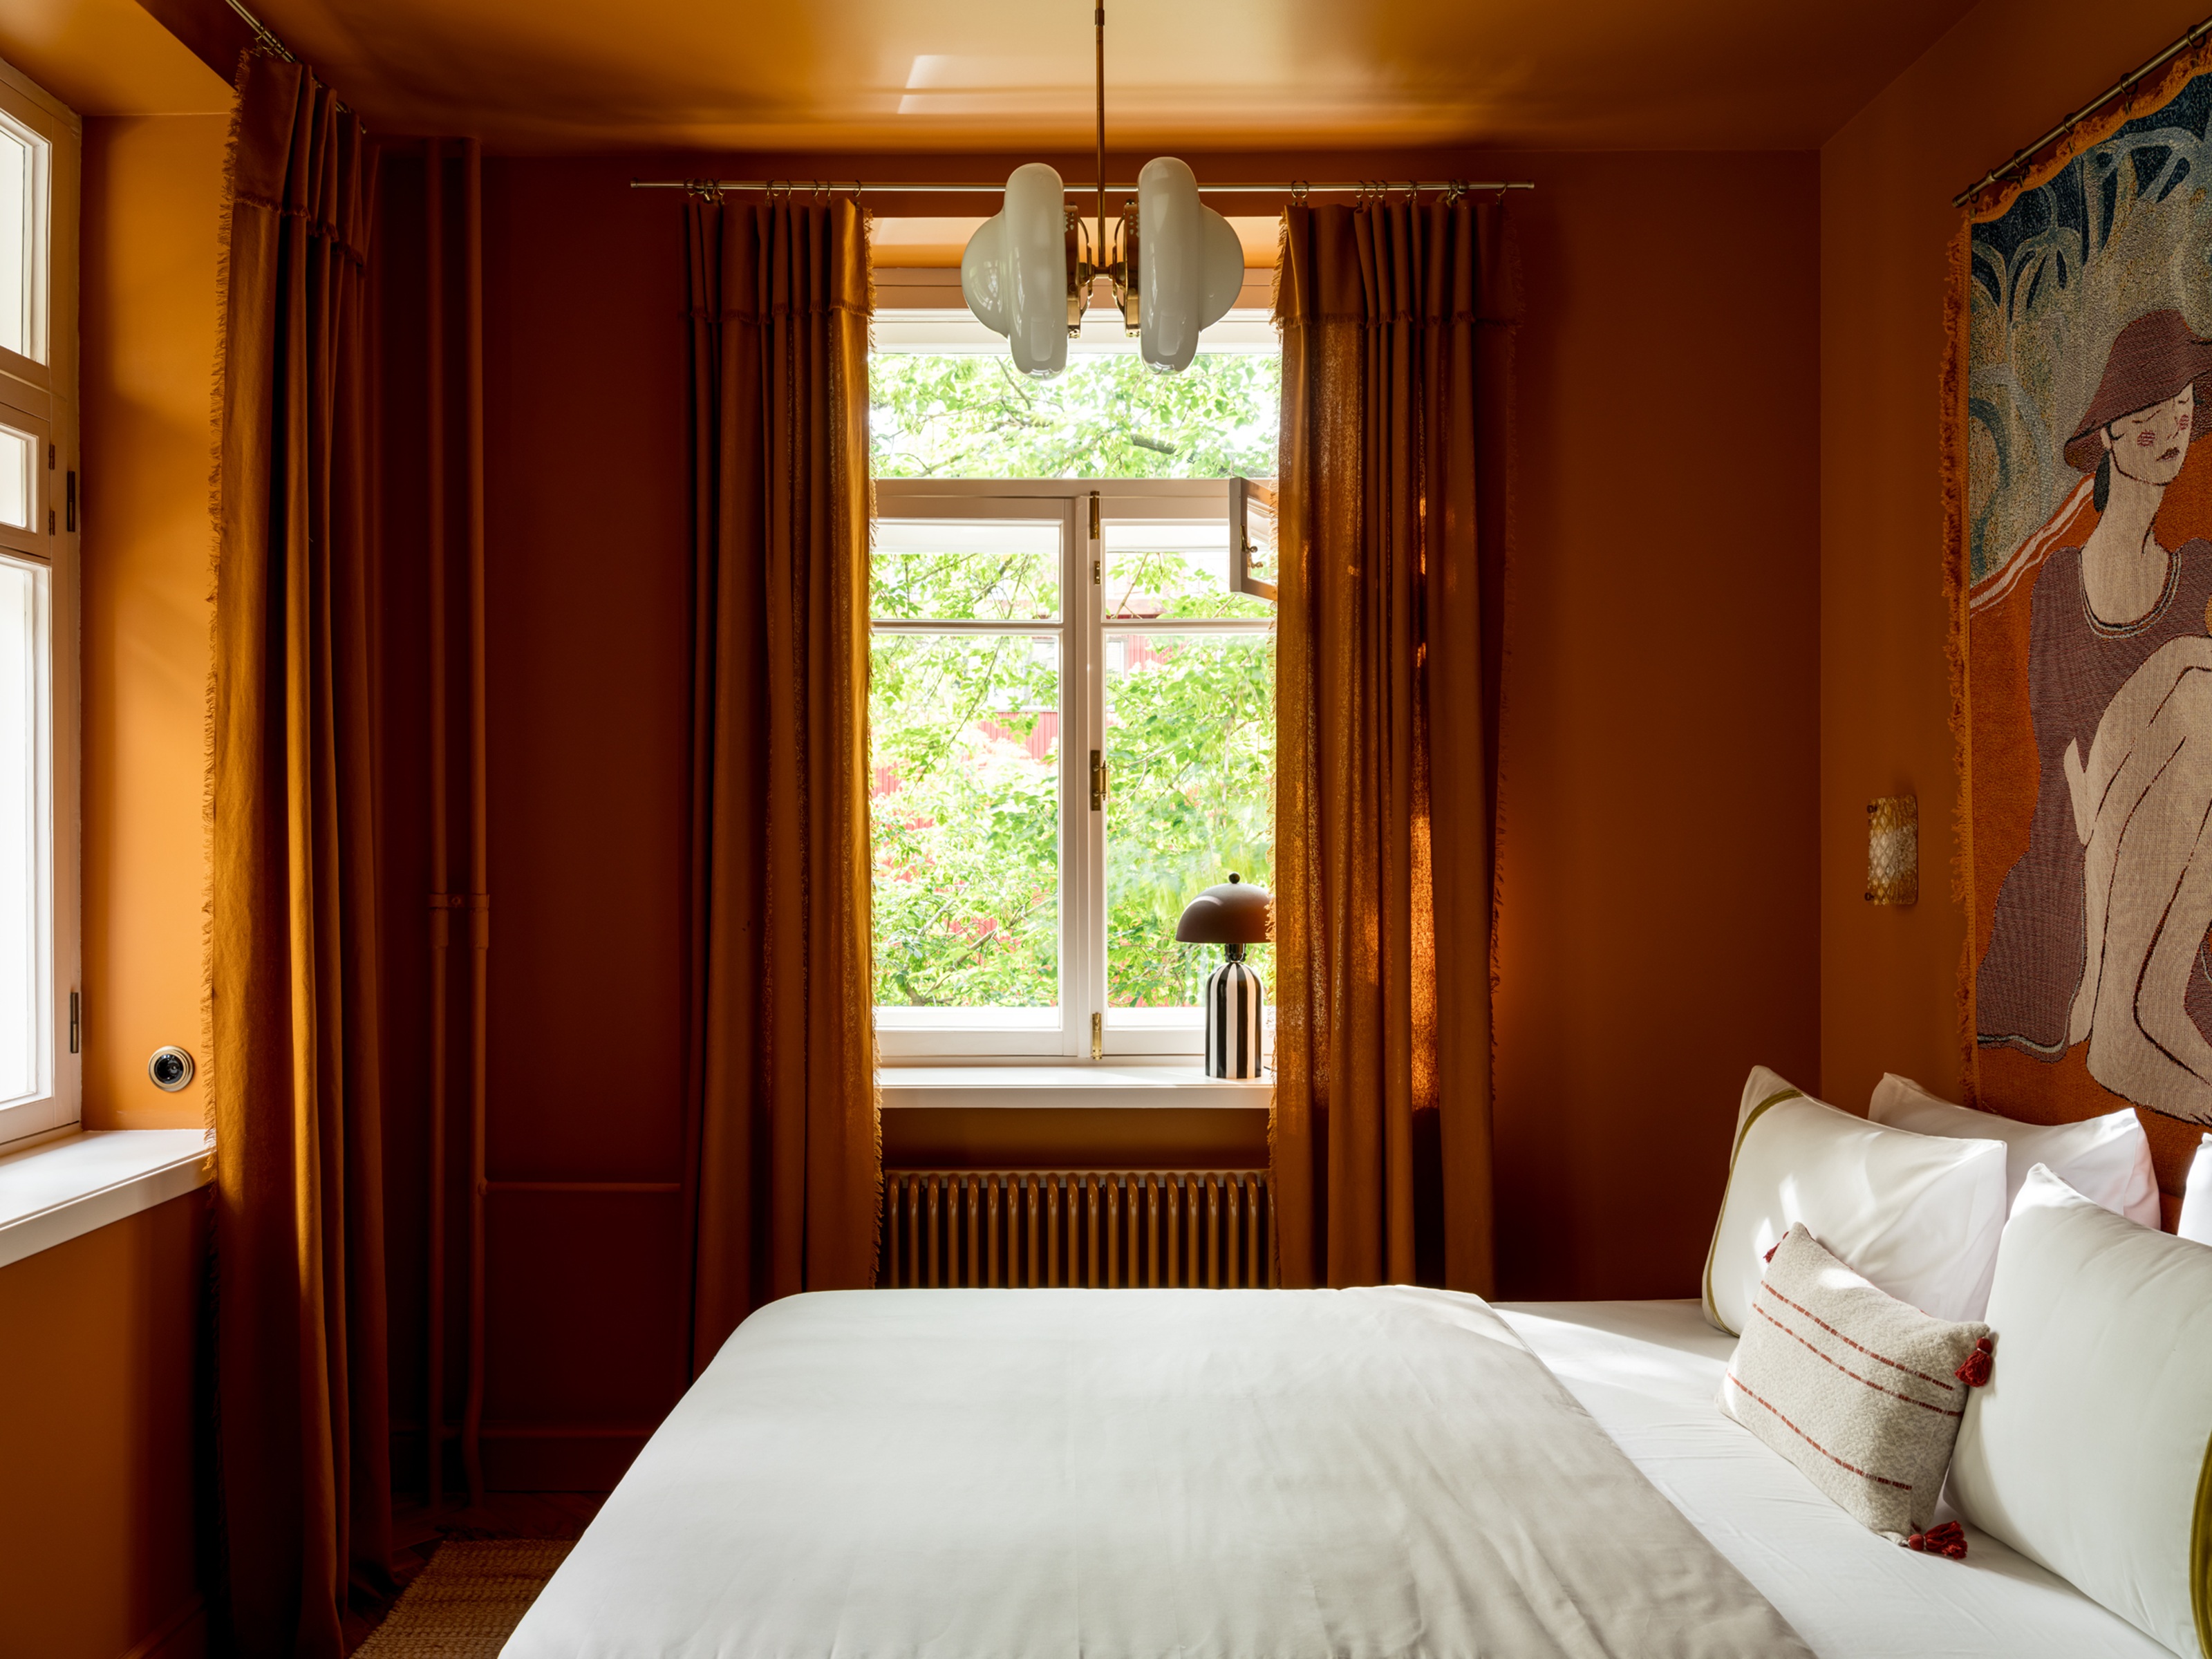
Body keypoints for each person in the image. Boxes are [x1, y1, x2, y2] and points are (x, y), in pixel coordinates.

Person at [1976, 308, 2212, 1123]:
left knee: (2197, 680)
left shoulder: (2197, 573)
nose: (2168, 426)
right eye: (2146, 411)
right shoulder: (2058, 585)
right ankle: (2119, 1014)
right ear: (2106, 436)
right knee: (2193, 674)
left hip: (2173, 853)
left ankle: (2150, 1013)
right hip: (2083, 848)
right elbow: (2064, 767)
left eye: (2179, 406)